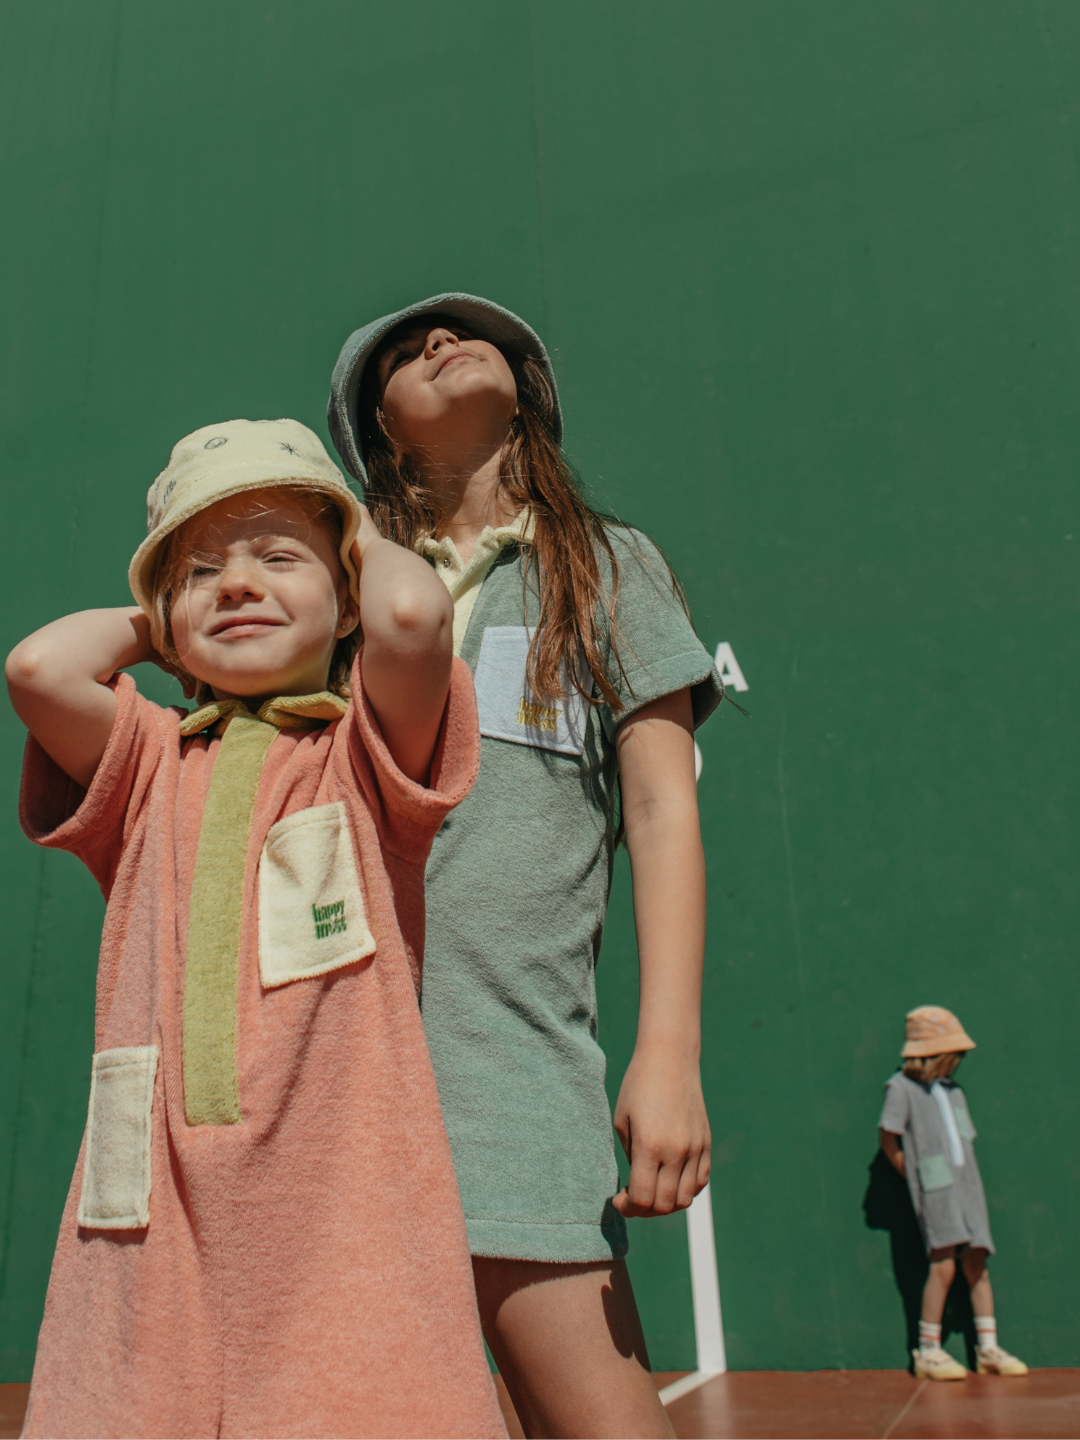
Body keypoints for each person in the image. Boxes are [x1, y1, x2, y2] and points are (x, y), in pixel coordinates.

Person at [7, 419, 505, 1439]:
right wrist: (167, 618)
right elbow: (37, 669)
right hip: (157, 1198)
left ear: (349, 592)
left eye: (281, 558)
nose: (237, 585)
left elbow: (413, 618)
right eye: (203, 571)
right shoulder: (147, 761)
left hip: (338, 1191)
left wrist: (345, 570)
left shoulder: (363, 754)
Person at [329, 294, 724, 1438]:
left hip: (515, 1065)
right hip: (346, 1072)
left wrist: (667, 1055)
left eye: (460, 332)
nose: (438, 344)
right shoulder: (342, 595)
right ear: (380, 434)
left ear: (528, 395)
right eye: (403, 352)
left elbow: (660, 809)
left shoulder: (606, 565)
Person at [878, 1005, 1028, 1381]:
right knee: (943, 1265)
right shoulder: (900, 1088)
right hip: (935, 1189)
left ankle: (988, 1348)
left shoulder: (953, 1090)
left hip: (967, 1186)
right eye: (952, 1056)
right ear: (933, 1054)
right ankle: (928, 1351)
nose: (956, 1063)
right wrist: (915, 1176)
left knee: (977, 1261)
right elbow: (889, 1137)